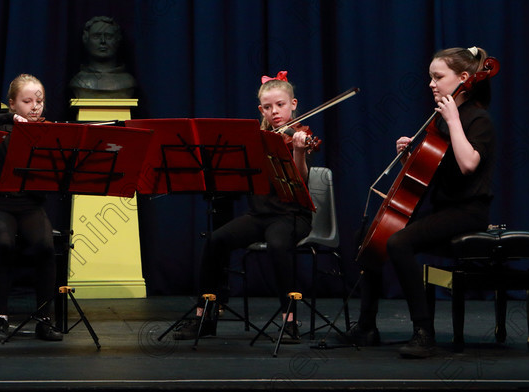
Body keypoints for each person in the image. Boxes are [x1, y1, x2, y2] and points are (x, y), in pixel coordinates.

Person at [350, 46, 496, 359]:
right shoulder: (441, 119)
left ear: (464, 78)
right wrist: (410, 156)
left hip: (469, 212)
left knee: (399, 243)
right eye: (430, 77)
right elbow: (431, 172)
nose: (431, 83)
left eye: (438, 77)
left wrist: (454, 121)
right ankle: (366, 325)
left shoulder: (476, 119)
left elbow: (468, 163)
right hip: (443, 208)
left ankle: (423, 333)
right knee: (373, 238)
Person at [174, 71, 314, 341]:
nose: (275, 112)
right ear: (260, 109)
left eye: (280, 105)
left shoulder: (300, 135)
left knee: (277, 245)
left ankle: (290, 320)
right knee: (215, 240)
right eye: (268, 107)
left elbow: (300, 179)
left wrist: (298, 151)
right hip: (259, 214)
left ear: (293, 104)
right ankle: (205, 316)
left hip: (291, 215)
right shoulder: (255, 137)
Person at [0, 74, 63, 342]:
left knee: (45, 247)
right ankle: (1, 318)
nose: (35, 107)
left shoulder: (47, 131)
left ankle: (45, 319)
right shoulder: (1, 128)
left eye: (39, 101)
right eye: (27, 101)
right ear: (12, 104)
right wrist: (8, 120)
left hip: (31, 205)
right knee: (4, 245)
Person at [69, 16, 136, 98]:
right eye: (96, 36)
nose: (103, 41)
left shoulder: (128, 81)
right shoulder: (79, 81)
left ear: (118, 40)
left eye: (109, 36)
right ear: (86, 40)